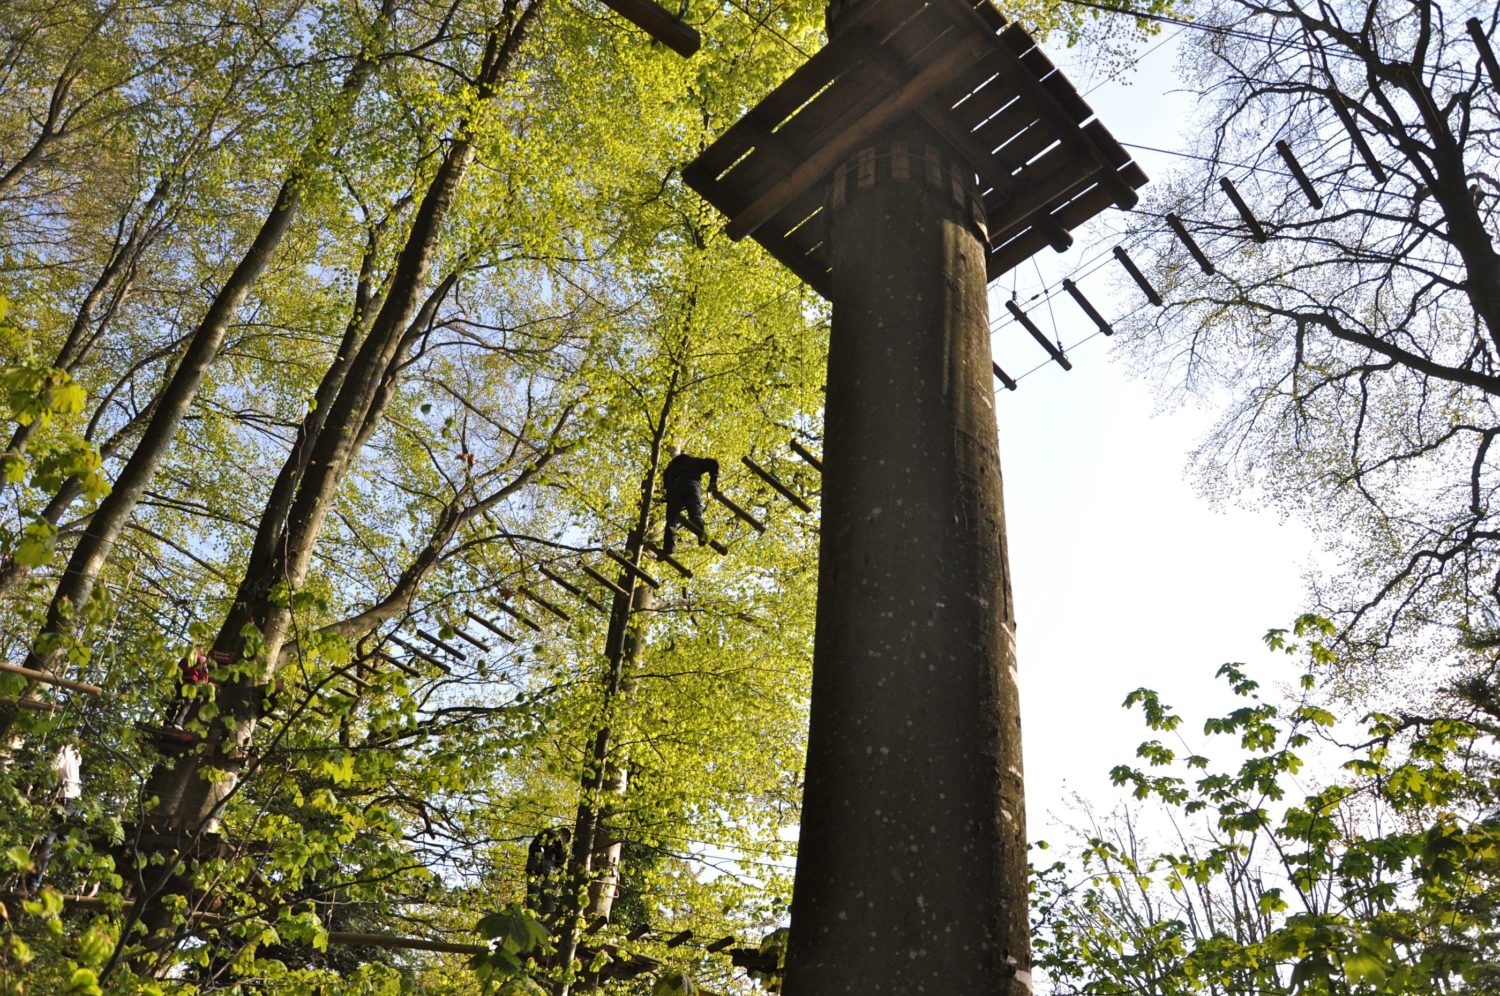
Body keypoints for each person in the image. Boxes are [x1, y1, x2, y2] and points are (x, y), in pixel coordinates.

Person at [25, 741, 81, 891]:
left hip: (65, 801)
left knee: (47, 840)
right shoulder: (76, 754)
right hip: (75, 802)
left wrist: (39, 769)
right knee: (64, 839)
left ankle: (33, 884)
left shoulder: (64, 750)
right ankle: (86, 865)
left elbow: (51, 769)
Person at [661, 450, 718, 554]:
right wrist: (713, 480)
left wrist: (665, 496)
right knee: (695, 514)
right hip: (692, 486)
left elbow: (665, 486)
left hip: (675, 489)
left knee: (672, 520)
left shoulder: (670, 468)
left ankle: (669, 546)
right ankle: (702, 533)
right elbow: (714, 463)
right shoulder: (694, 462)